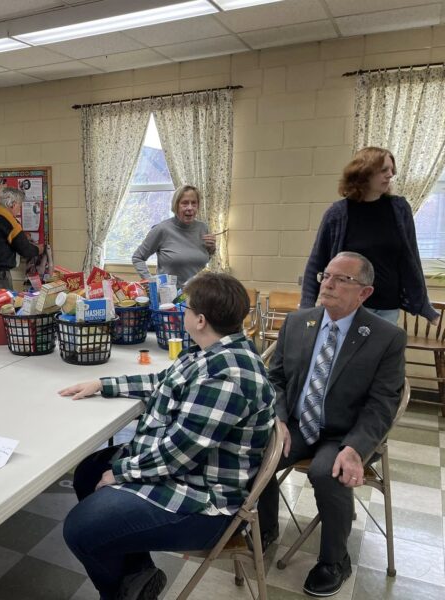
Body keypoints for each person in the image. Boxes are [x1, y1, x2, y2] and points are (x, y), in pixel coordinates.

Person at [58, 272, 275, 600]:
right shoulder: (211, 351)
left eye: (185, 308)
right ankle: (137, 577)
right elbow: (165, 381)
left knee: (79, 528)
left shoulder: (228, 376)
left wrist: (120, 473)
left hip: (206, 504)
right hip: (188, 472)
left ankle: (120, 593)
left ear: (200, 320)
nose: (180, 312)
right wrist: (104, 384)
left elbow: (178, 453)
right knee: (87, 473)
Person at [259, 252, 406, 597]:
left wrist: (356, 448)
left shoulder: (386, 337)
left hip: (345, 432)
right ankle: (265, 530)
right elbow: (274, 378)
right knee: (257, 452)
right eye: (326, 276)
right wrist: (278, 416)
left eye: (342, 279)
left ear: (364, 293)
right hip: (295, 422)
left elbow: (382, 403)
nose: (328, 283)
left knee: (327, 472)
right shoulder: (298, 322)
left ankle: (334, 560)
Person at [301, 146, 439, 326]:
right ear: (364, 173)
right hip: (347, 307)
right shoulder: (338, 214)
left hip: (388, 308)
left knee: (381, 354)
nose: (390, 175)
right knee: (346, 354)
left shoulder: (399, 209)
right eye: (384, 170)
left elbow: (410, 260)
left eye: (392, 170)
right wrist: (306, 308)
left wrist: (424, 306)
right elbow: (316, 263)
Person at [132, 185, 217, 284]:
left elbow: (199, 261)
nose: (190, 208)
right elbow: (137, 257)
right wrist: (152, 283)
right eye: (185, 203)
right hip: (169, 296)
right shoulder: (161, 229)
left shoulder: (203, 228)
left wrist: (211, 249)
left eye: (194, 203)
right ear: (176, 205)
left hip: (197, 294)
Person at [0, 186, 41, 289]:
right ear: (12, 204)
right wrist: (39, 249)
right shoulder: (8, 220)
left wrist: (22, 236)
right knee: (4, 304)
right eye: (19, 206)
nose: (19, 211)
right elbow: (26, 250)